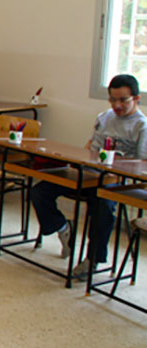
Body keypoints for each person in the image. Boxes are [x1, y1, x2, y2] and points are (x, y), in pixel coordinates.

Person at [31, 74, 147, 277]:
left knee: (102, 206)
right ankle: (62, 227)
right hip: (90, 174)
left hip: (117, 181)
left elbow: (141, 164)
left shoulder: (141, 126)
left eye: (123, 100)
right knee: (41, 190)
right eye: (113, 99)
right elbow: (90, 147)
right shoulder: (104, 117)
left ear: (136, 99)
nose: (117, 105)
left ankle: (93, 260)